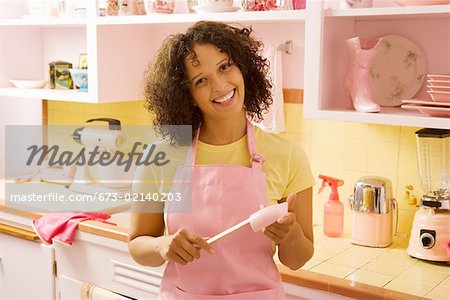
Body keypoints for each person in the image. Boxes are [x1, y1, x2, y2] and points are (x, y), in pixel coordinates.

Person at [128, 21, 315, 299]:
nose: (220, 85)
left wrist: (290, 235)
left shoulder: (288, 156)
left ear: (242, 67)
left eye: (225, 66)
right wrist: (161, 246)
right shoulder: (161, 157)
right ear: (187, 95)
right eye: (200, 80)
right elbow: (137, 244)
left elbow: (298, 259)